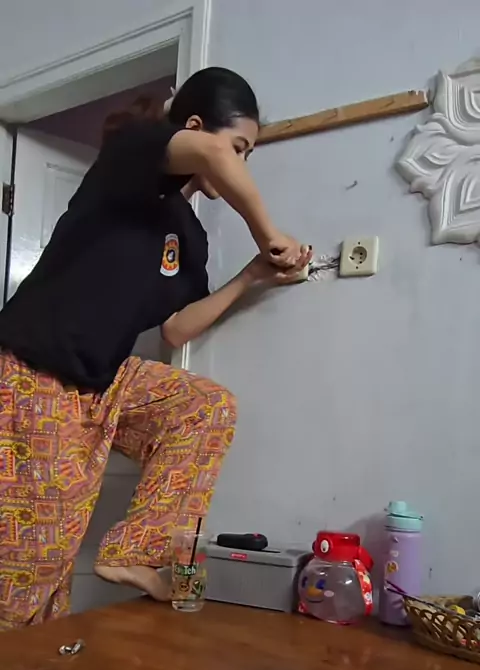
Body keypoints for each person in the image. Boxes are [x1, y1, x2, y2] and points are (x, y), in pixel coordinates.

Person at [0, 67, 310, 629]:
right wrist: (268, 233)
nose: (240, 163)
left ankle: (133, 554)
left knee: (205, 408)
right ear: (193, 127)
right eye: (240, 148)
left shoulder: (189, 236)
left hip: (102, 380)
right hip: (32, 372)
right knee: (37, 555)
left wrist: (251, 276)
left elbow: (176, 329)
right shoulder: (131, 155)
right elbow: (211, 154)